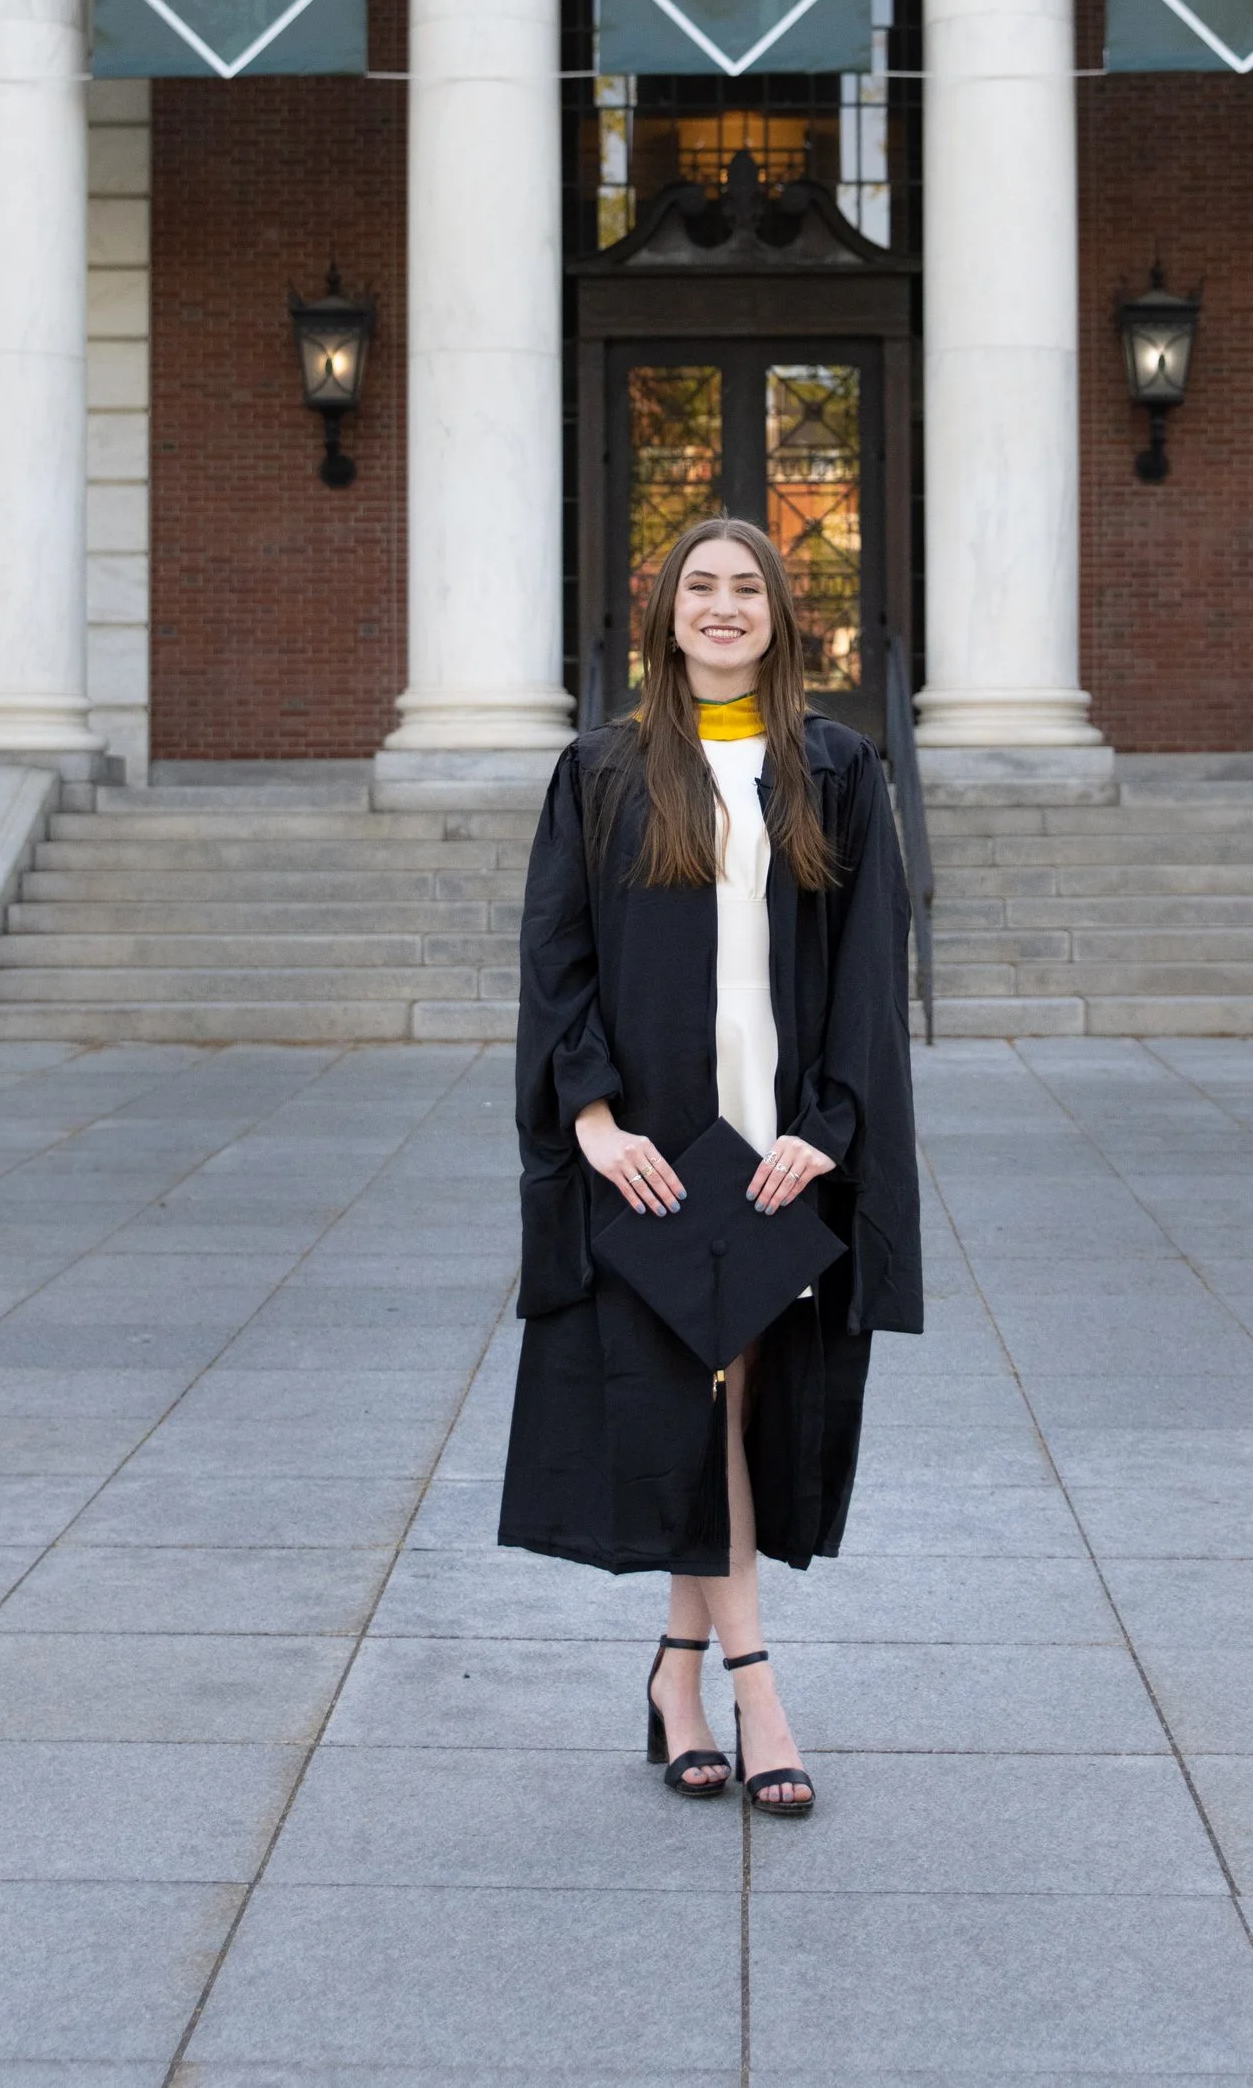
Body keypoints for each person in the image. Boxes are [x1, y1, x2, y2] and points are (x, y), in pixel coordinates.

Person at [499, 513, 923, 1816]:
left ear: (782, 615)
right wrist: (593, 1120)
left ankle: (676, 1675)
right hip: (661, 1154)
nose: (725, 605)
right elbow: (552, 954)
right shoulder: (607, 770)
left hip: (779, 1148)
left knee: (729, 1402)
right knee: (704, 1396)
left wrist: (833, 1125)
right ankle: (757, 1690)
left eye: (748, 587)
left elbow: (864, 969)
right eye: (702, 586)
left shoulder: (835, 770)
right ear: (665, 614)